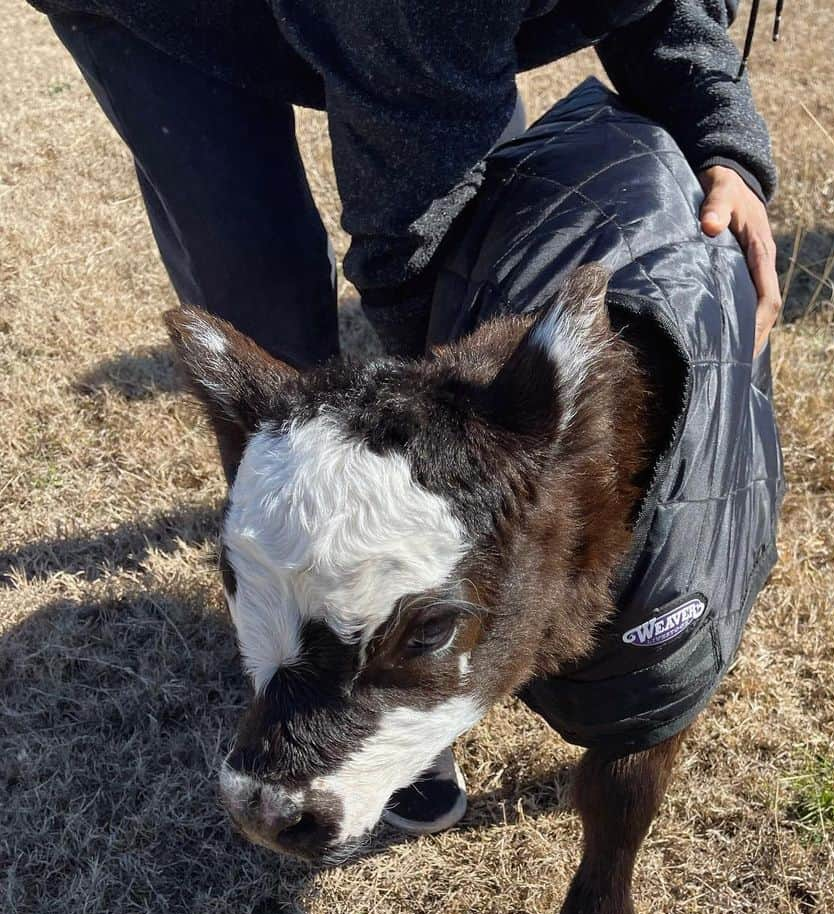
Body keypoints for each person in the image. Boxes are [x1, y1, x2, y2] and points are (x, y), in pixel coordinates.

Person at [31, 0, 780, 834]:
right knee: (254, 279)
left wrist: (724, 142)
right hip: (170, 18)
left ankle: (403, 652)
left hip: (412, 33)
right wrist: (425, 431)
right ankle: (333, 664)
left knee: (479, 259)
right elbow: (414, 226)